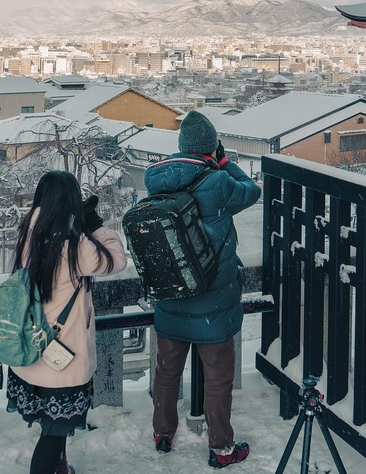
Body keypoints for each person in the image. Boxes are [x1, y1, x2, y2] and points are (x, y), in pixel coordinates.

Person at [144, 111, 260, 469]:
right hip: (213, 301)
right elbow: (251, 191)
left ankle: (162, 433)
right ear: (211, 147)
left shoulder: (155, 178)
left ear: (182, 147)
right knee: (218, 380)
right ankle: (222, 448)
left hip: (172, 294)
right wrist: (224, 162)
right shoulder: (218, 182)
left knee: (166, 373)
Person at [6, 170, 128, 474]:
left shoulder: (28, 232)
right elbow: (117, 259)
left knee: (53, 428)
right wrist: (95, 226)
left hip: (33, 346)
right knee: (53, 433)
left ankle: (59, 467)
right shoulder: (75, 247)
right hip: (62, 359)